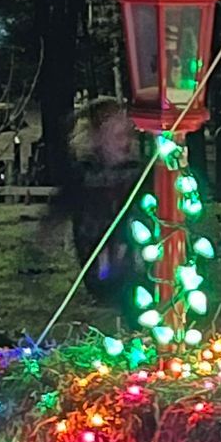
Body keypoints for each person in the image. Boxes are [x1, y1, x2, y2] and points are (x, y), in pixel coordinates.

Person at [56, 98, 143, 305]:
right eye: (118, 136)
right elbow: (65, 205)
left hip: (132, 256)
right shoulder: (84, 176)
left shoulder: (136, 174)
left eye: (129, 135)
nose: (126, 142)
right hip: (100, 258)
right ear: (97, 139)